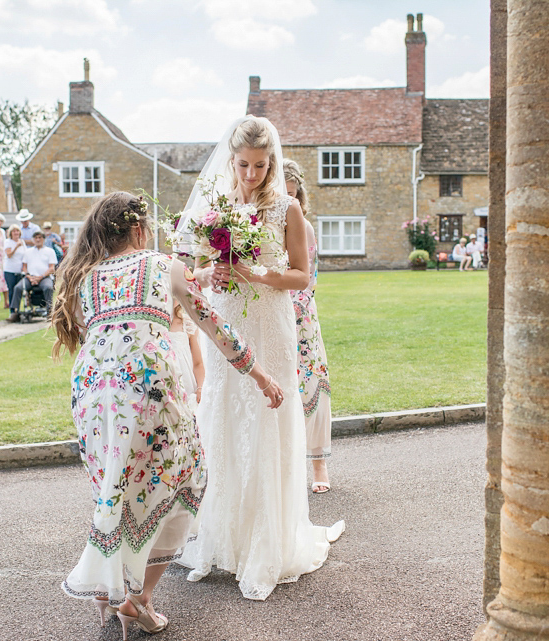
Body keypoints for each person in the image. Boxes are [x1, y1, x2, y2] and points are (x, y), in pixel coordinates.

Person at [51, 191, 282, 640]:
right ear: (139, 229)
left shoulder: (84, 275)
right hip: (147, 390)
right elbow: (218, 328)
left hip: (93, 394)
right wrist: (261, 375)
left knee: (115, 489)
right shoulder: (164, 265)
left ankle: (112, 587)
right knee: (189, 481)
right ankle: (137, 599)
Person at [178, 115, 344, 601]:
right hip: (227, 320)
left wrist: (258, 274)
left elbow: (301, 277)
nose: (251, 174)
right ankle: (225, 537)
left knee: (268, 418)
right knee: (226, 414)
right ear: (231, 160)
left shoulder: (287, 208)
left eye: (259, 165)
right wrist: (215, 273)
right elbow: (196, 271)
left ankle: (268, 539)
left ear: (271, 162)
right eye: (243, 165)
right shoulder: (216, 205)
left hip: (271, 323)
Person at [283, 159, 334, 493]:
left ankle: (319, 464)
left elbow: (308, 279)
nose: (289, 202)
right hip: (268, 312)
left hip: (300, 313)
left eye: (293, 194)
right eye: (282, 194)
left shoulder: (306, 227)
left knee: (310, 381)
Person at [8, 230, 55, 320]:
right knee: (18, 287)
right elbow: (24, 267)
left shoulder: (50, 251)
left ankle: (50, 311)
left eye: (40, 238)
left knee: (48, 287)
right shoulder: (28, 252)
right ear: (33, 240)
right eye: (36, 238)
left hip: (44, 277)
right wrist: (29, 276)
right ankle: (14, 312)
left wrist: (40, 277)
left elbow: (51, 268)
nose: (38, 240)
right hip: (30, 278)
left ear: (43, 239)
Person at [168, 303, 205, 410]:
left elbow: (198, 363)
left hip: (186, 387)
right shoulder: (152, 323)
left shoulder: (187, 323)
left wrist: (200, 388)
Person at [2, 224, 25, 315]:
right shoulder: (8, 242)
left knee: (18, 290)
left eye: (17, 231)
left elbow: (25, 255)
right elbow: (9, 255)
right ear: (11, 233)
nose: (16, 233)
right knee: (11, 289)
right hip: (10, 270)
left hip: (20, 270)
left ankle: (17, 309)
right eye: (14, 231)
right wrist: (16, 247)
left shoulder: (22, 241)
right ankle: (12, 310)